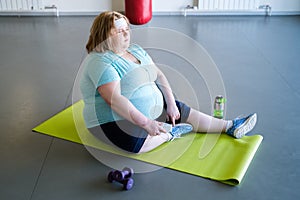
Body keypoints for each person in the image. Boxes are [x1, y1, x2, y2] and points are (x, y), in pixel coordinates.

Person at [80, 11, 257, 154]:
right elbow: (114, 100)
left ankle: (229, 126)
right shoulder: (100, 61)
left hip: (149, 111)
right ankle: (169, 133)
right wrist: (146, 123)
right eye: (119, 31)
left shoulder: (136, 50)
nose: (126, 33)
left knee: (180, 111)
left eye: (127, 28)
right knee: (136, 145)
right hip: (111, 120)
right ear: (105, 35)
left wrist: (171, 104)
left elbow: (159, 75)